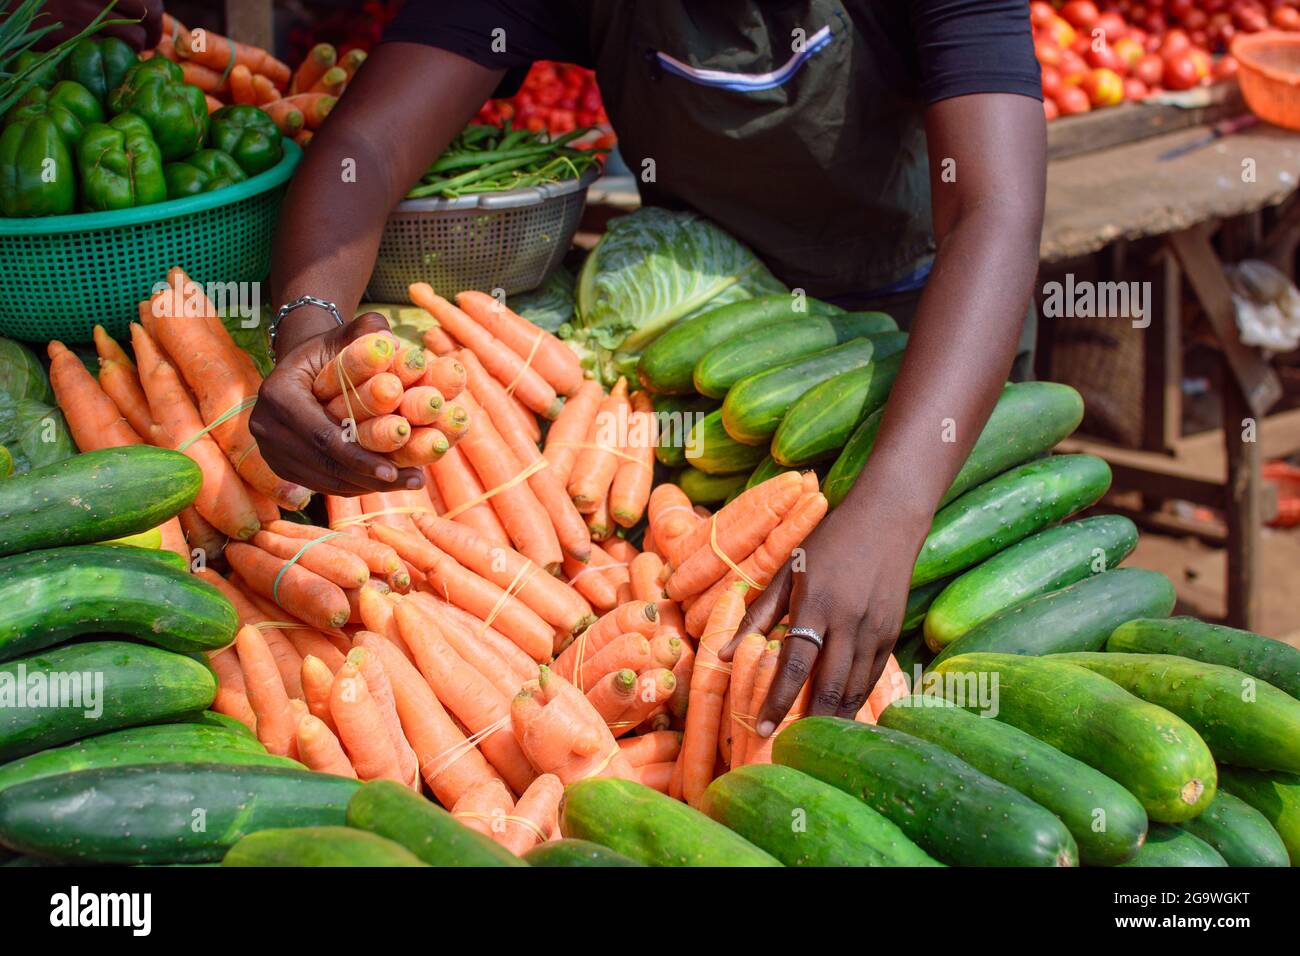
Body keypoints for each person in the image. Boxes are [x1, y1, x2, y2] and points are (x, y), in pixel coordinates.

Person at [251, 0, 1047, 736]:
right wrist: (311, 336)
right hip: (702, 362)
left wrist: (893, 507)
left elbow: (994, 209)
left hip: (922, 363)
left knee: (942, 685)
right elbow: (368, 145)